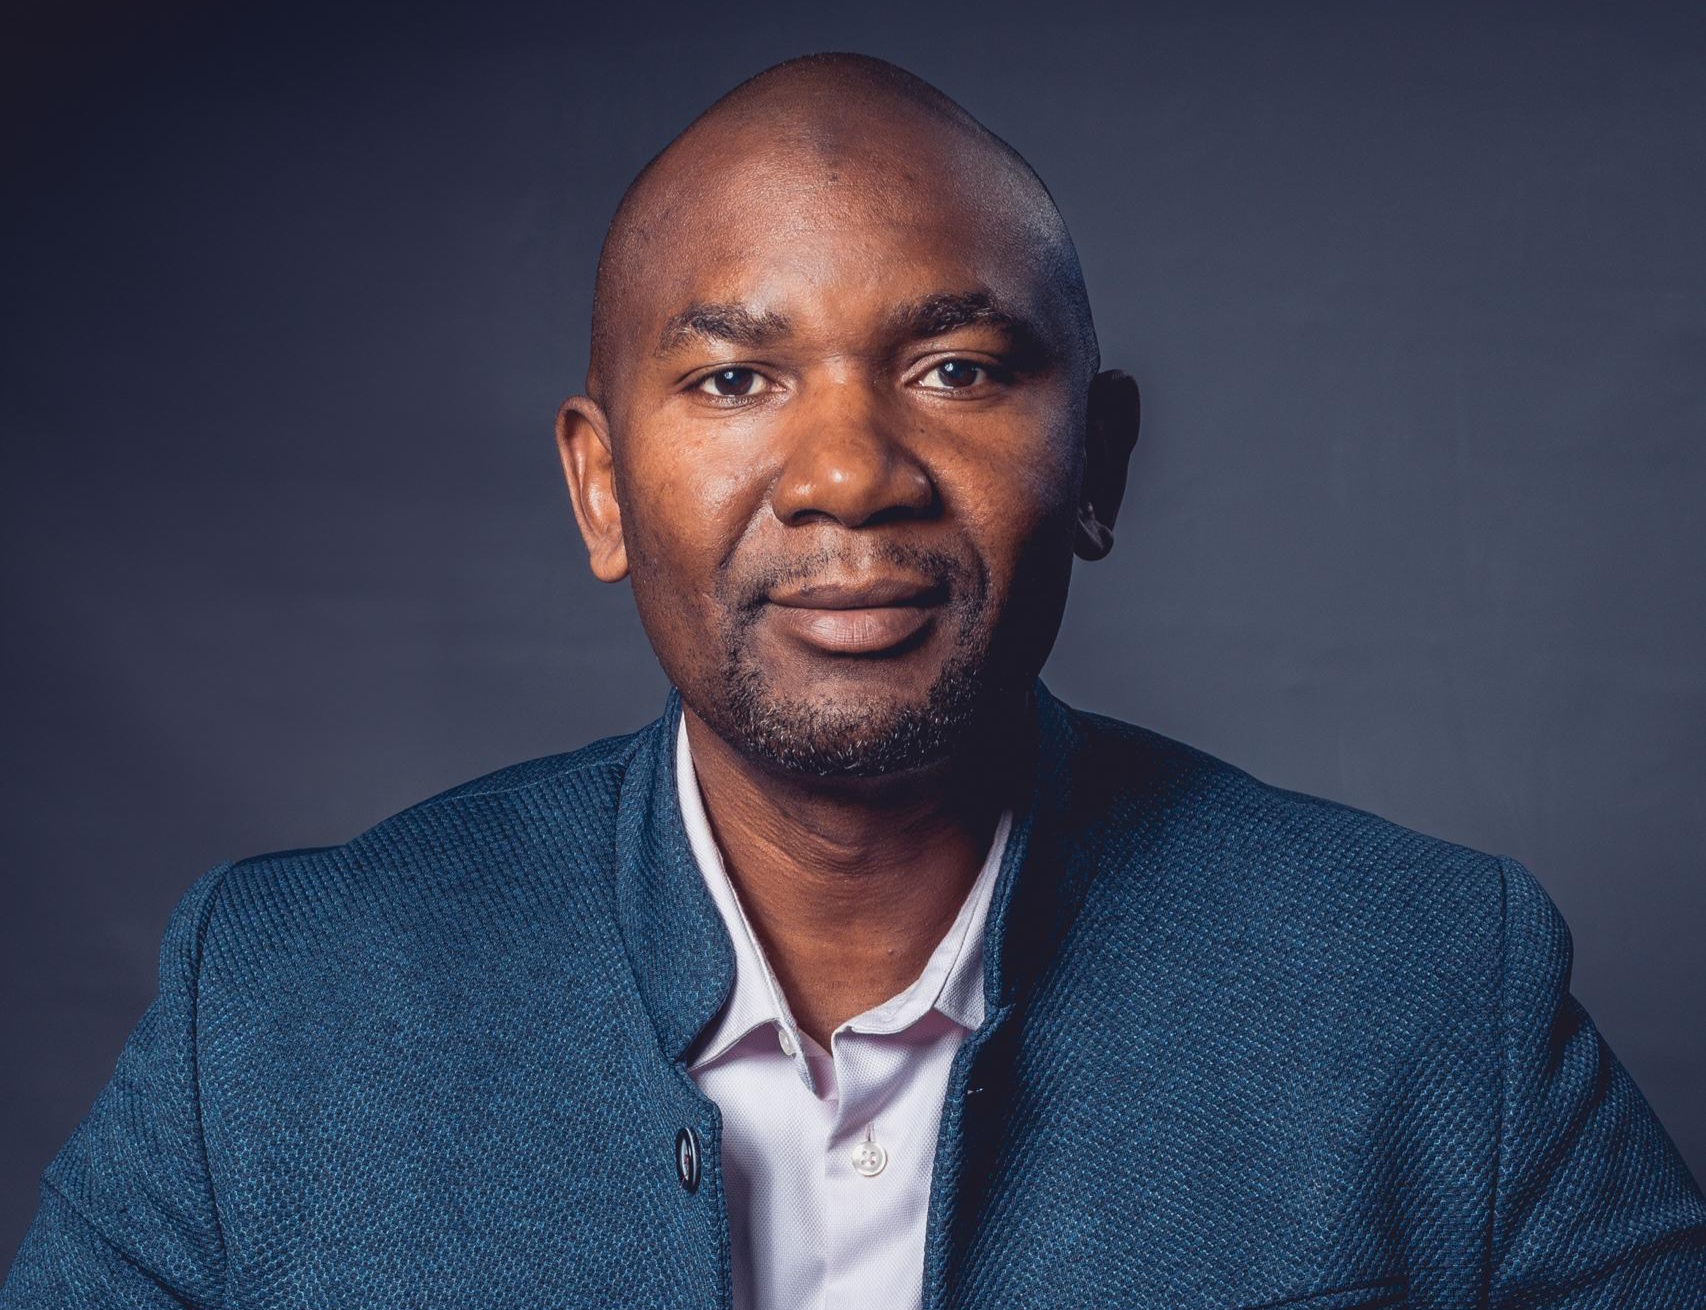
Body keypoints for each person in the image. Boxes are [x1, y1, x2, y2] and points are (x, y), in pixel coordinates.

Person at [3, 51, 1702, 1310]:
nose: (844, 473)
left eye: (956, 367)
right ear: (600, 487)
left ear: (1097, 465)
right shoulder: (281, 1010)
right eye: (735, 379)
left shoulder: (1428, 992)